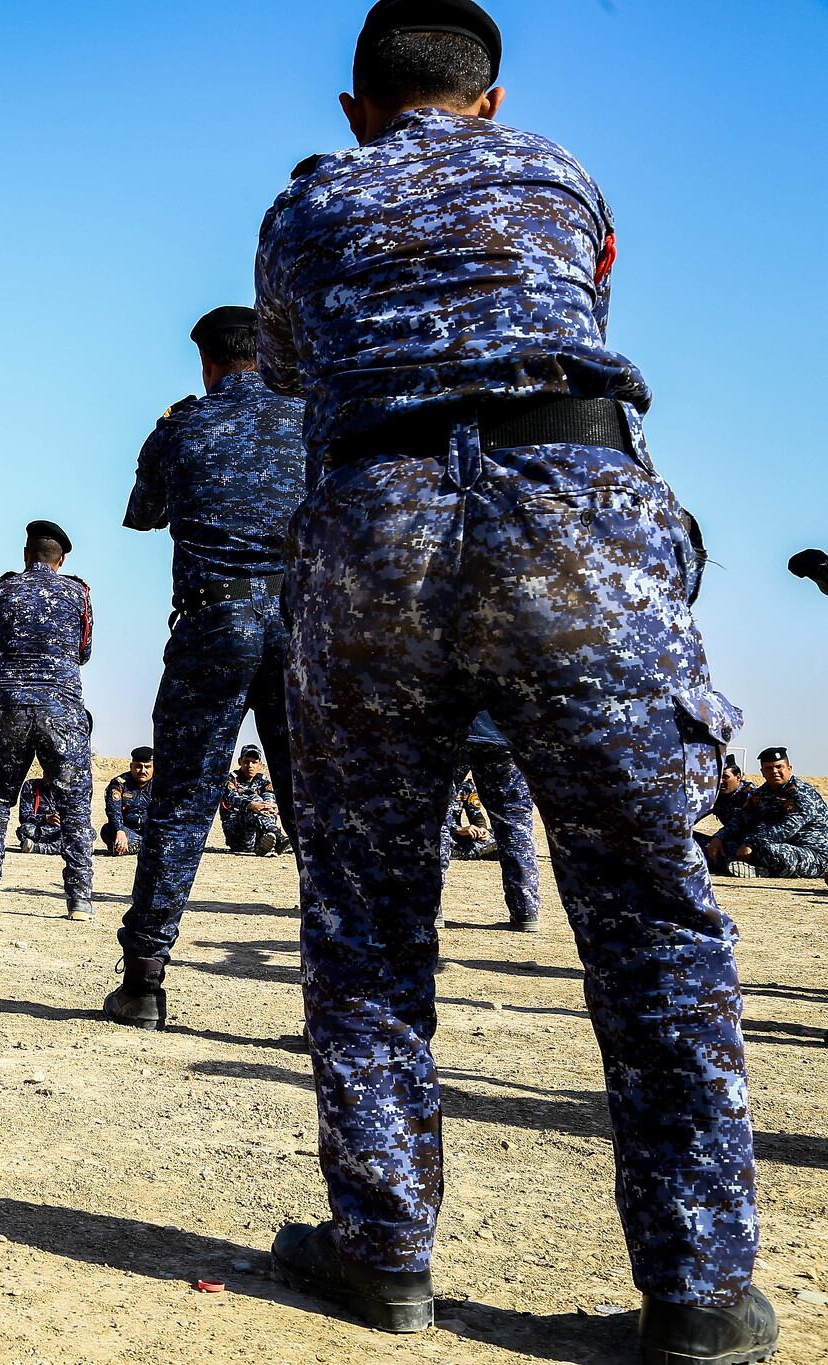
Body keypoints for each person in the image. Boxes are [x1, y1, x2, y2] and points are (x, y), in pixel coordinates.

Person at [256, 5, 772, 1355]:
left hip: (377, 525)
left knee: (366, 914)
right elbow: (584, 297)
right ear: (488, 99)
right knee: (654, 915)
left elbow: (300, 367)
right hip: (576, 516)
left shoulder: (305, 206)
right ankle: (703, 1292)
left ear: (356, 106)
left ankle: (382, 1252)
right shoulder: (557, 169)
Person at [108, 303, 304, 1027]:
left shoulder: (180, 426)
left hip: (211, 626)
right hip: (299, 627)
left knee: (182, 806)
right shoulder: (312, 419)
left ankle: (144, 982)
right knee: (314, 813)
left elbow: (144, 512)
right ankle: (338, 998)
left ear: (207, 363)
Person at [0, 521, 94, 920]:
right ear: (62, 559)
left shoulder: (1, 591)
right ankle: (79, 899)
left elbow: (1, 642)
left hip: (10, 707)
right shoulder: (78, 593)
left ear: (26, 554)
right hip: (62, 711)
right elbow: (84, 652)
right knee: (74, 804)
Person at [449, 713, 541, 929]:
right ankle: (525, 911)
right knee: (515, 824)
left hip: (454, 733)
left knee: (434, 819)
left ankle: (430, 910)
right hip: (504, 737)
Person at [707, 747, 828, 880]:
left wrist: (751, 843)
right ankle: (743, 866)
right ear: (762, 772)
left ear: (789, 769)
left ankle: (757, 870)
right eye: (769, 768)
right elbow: (741, 819)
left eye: (779, 767)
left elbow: (786, 828)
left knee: (769, 850)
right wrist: (718, 838)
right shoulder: (762, 793)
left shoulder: (801, 793)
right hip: (771, 845)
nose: (774, 771)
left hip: (812, 855)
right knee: (723, 846)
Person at [218, 746, 284, 855]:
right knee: (255, 799)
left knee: (268, 797)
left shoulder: (262, 780)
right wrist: (251, 805)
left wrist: (270, 806)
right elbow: (232, 797)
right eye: (246, 762)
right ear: (240, 761)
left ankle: (265, 843)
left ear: (260, 765)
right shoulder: (231, 779)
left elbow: (271, 801)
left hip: (257, 834)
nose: (250, 766)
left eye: (254, 762)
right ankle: (277, 835)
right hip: (237, 835)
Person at [694, 756, 755, 861]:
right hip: (726, 838)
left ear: (738, 777)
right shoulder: (715, 795)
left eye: (725, 777)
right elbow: (694, 816)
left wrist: (719, 837)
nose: (720, 781)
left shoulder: (750, 794)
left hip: (749, 843)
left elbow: (740, 822)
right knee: (685, 838)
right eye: (717, 777)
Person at [102, 747, 154, 855]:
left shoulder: (161, 785)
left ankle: (143, 846)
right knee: (107, 830)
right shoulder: (119, 784)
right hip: (128, 831)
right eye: (138, 766)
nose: (143, 771)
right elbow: (113, 809)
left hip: (153, 832)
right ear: (131, 766)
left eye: (147, 767)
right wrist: (119, 830)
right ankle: (144, 846)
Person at [445, 774, 495, 857]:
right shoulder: (429, 784)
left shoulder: (466, 787)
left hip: (457, 837)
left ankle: (455, 853)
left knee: (501, 835)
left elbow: (476, 814)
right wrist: (458, 829)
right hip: (438, 834)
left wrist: (482, 829)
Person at [15, 771, 66, 854]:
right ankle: (62, 846)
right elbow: (24, 816)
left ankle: (36, 847)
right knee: (25, 829)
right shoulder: (31, 786)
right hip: (41, 830)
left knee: (86, 832)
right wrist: (45, 818)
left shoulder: (67, 789)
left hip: (61, 830)